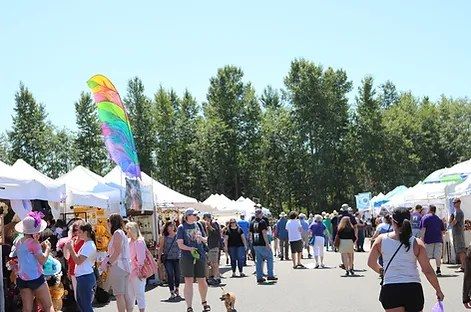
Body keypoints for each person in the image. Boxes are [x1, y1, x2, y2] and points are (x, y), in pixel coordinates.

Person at [368, 207, 444, 312]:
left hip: (391, 288)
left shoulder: (381, 239)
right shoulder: (417, 243)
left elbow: (371, 263)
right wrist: (438, 290)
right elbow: (427, 270)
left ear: (392, 221)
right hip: (413, 288)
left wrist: (383, 272)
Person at [11, 211, 54, 312]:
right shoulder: (34, 243)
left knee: (27, 309)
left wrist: (37, 243)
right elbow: (42, 261)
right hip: (36, 278)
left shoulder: (18, 241)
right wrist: (47, 248)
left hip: (22, 279)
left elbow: (26, 254)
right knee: (48, 306)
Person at [177, 208, 211, 312]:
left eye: (196, 214)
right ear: (188, 216)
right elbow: (180, 244)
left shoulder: (199, 224)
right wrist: (190, 248)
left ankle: (204, 302)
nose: (196, 216)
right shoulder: (181, 227)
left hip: (199, 255)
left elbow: (206, 239)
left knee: (202, 280)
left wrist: (202, 238)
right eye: (194, 214)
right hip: (187, 257)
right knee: (189, 281)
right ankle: (189, 306)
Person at [103, 213, 132, 312]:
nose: (108, 224)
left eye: (109, 222)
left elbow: (117, 251)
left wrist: (108, 262)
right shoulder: (121, 233)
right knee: (125, 294)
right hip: (124, 266)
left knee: (119, 294)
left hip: (118, 266)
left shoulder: (117, 233)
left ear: (112, 222)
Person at [65, 222, 97, 312]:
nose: (77, 234)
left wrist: (71, 249)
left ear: (85, 232)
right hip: (83, 277)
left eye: (79, 232)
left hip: (85, 277)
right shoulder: (86, 244)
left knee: (85, 305)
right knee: (81, 303)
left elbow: (78, 261)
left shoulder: (89, 245)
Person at [250, 208, 278, 284]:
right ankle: (270, 275)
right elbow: (264, 233)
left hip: (255, 243)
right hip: (262, 243)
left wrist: (252, 243)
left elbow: (250, 234)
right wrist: (267, 243)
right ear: (260, 214)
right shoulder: (262, 222)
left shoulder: (252, 222)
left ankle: (259, 277)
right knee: (269, 258)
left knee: (258, 261)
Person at [125, 222, 147, 312]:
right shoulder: (129, 241)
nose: (127, 232)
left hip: (137, 272)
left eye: (128, 229)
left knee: (139, 293)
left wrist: (139, 271)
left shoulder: (139, 241)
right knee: (130, 295)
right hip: (129, 271)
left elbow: (141, 259)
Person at [419, 205, 446, 276]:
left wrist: (422, 239)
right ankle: (438, 269)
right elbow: (443, 231)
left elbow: (423, 230)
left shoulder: (424, 218)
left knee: (428, 256)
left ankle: (427, 269)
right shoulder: (438, 219)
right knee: (438, 255)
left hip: (428, 240)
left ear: (429, 209)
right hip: (438, 239)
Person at [159, 221, 181, 301]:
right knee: (170, 274)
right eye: (170, 226)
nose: (171, 227)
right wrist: (158, 259)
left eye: (173, 226)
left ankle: (177, 288)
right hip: (168, 259)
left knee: (178, 275)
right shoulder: (164, 237)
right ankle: (172, 291)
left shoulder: (178, 236)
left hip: (177, 258)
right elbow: (161, 248)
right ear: (167, 227)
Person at [64, 219, 85, 300]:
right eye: (74, 230)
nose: (76, 232)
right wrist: (67, 245)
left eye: (78, 230)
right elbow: (67, 256)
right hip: (73, 271)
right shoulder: (72, 241)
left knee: (83, 296)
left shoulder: (85, 241)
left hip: (83, 271)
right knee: (77, 296)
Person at [202, 213, 222, 285]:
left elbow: (215, 232)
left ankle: (216, 277)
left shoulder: (213, 223)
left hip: (214, 245)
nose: (204, 220)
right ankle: (216, 276)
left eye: (205, 218)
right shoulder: (208, 224)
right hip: (211, 245)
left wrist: (209, 226)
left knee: (214, 262)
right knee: (212, 262)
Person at [451, 197, 467, 272]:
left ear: (459, 203)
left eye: (455, 202)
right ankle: (463, 265)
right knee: (460, 249)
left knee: (461, 250)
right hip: (457, 233)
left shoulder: (458, 212)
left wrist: (450, 222)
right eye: (453, 203)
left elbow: (453, 222)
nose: (454, 204)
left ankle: (463, 266)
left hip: (458, 233)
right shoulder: (456, 212)